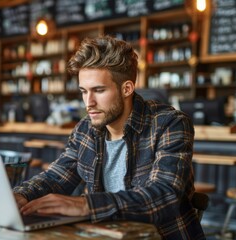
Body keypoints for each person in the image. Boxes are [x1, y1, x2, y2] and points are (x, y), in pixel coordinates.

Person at [13, 36, 204, 239]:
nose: (89, 103)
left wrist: (86, 205)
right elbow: (55, 177)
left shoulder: (170, 123)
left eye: (99, 90)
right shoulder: (85, 129)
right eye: (84, 92)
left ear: (127, 89)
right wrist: (20, 196)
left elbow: (165, 195)